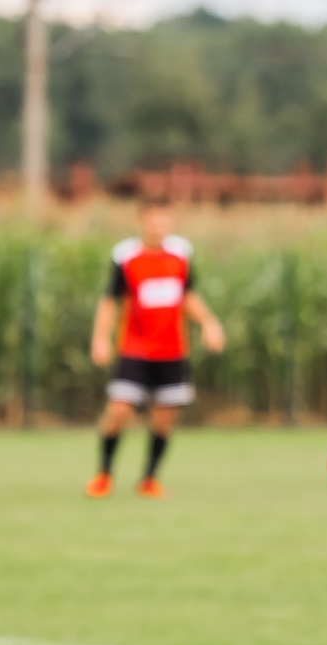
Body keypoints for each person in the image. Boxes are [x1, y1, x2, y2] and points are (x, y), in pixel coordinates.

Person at [85, 196, 225, 499]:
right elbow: (110, 301)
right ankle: (104, 474)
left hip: (172, 350)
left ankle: (149, 479)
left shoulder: (181, 253)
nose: (159, 226)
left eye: (165, 220)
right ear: (142, 221)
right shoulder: (125, 256)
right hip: (134, 349)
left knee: (165, 417)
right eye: (154, 219)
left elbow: (188, 295)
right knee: (119, 410)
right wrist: (100, 338)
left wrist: (209, 324)